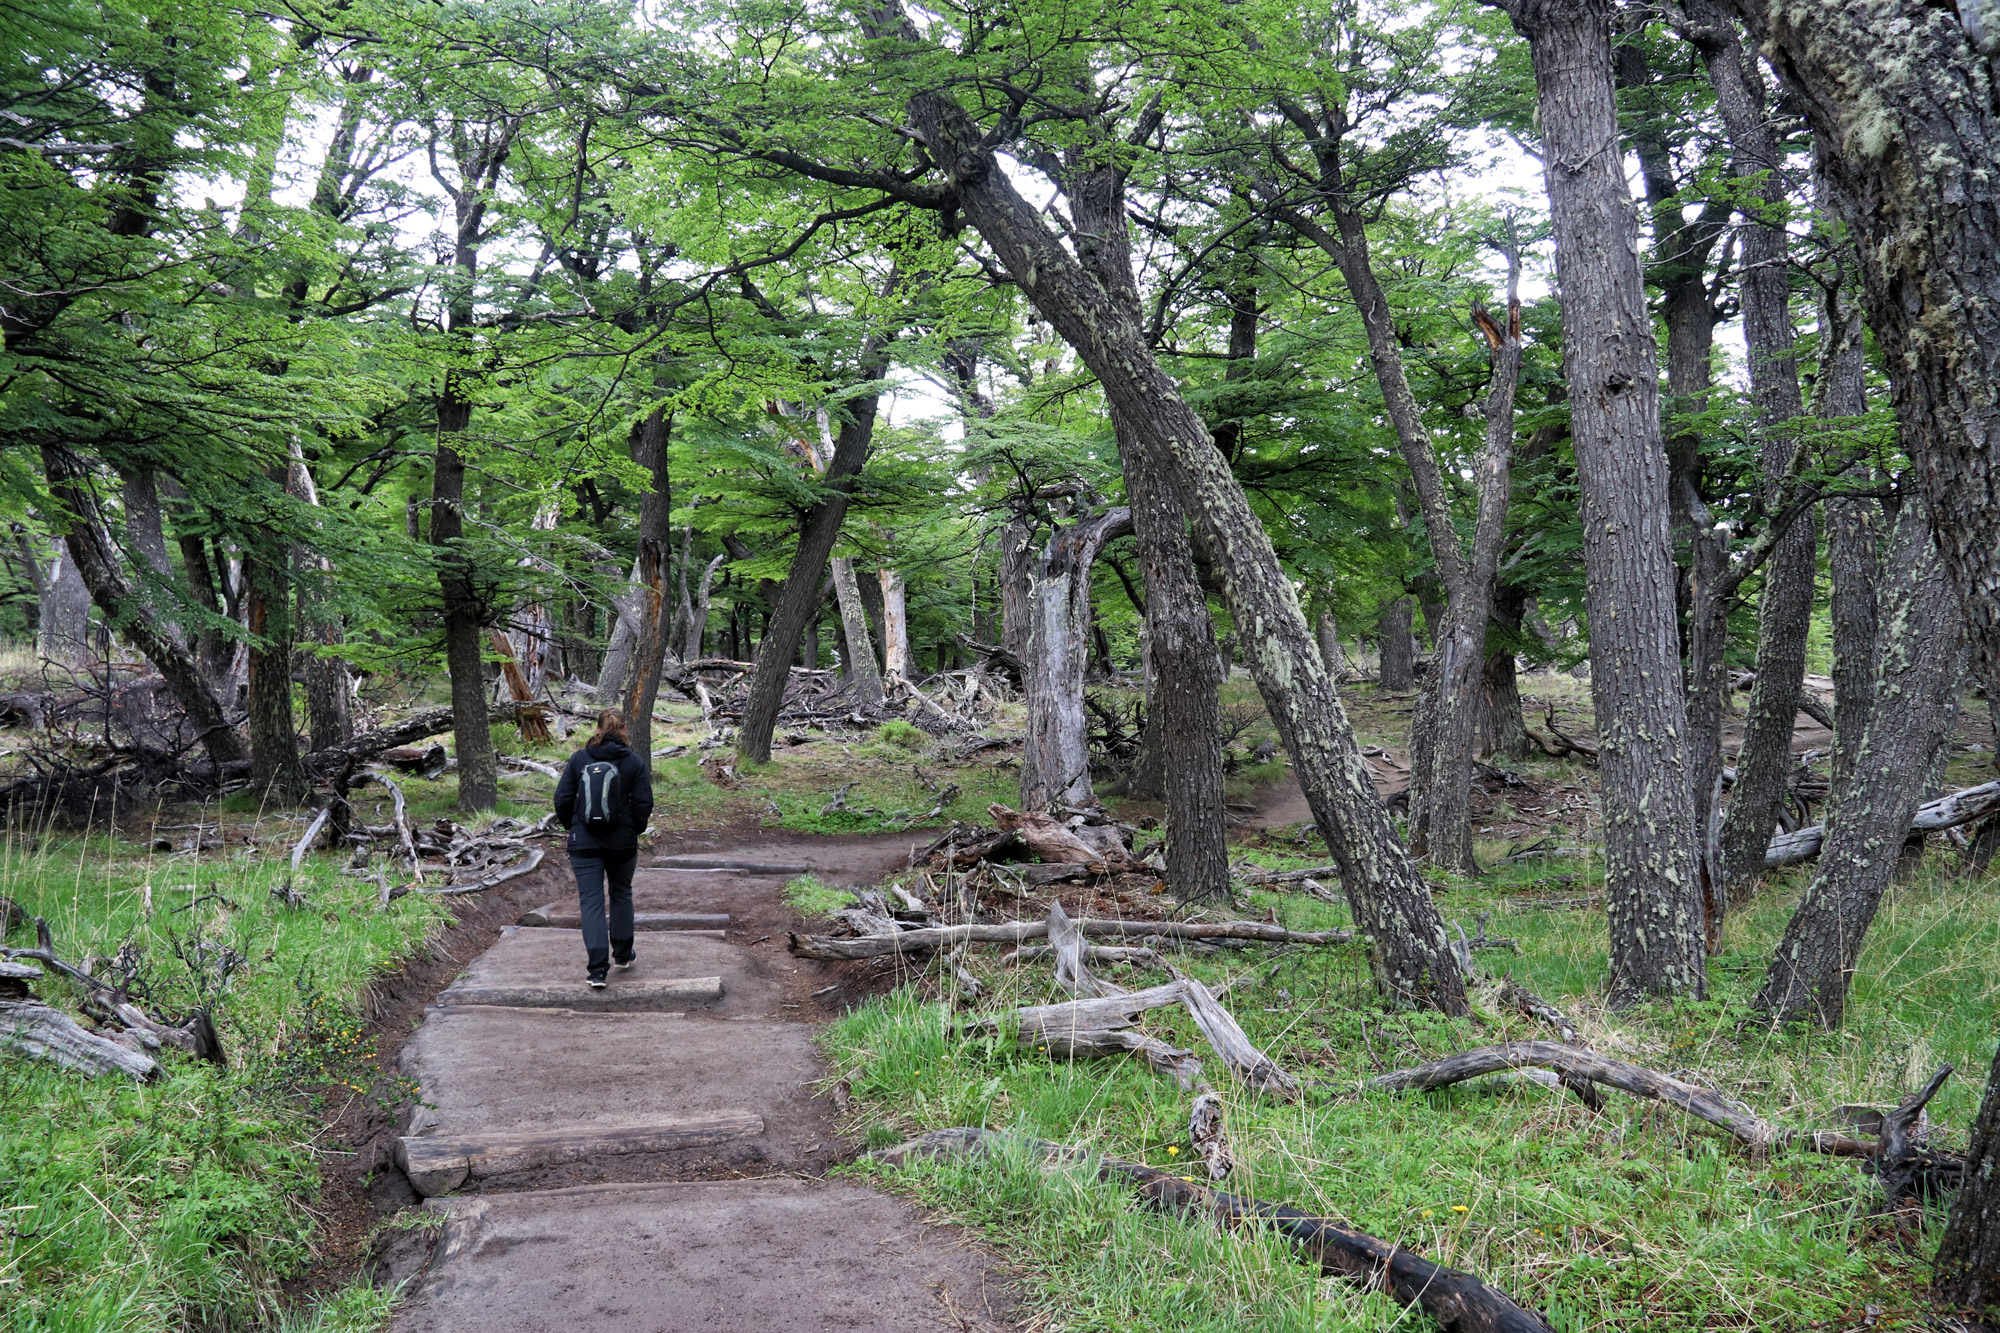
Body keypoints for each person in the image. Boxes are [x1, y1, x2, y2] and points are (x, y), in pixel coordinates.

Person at [552, 709, 655, 988]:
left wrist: (573, 827)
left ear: (597, 729)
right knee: (621, 893)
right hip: (621, 843)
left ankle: (597, 970)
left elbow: (561, 799)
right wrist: (633, 828)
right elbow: (644, 804)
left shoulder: (580, 759)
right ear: (623, 729)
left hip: (583, 844)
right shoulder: (633, 761)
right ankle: (622, 954)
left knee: (591, 901)